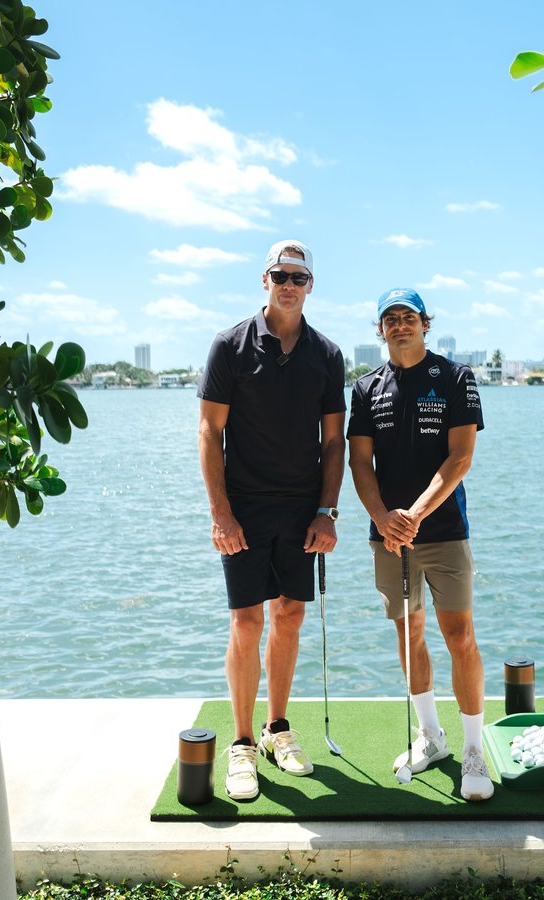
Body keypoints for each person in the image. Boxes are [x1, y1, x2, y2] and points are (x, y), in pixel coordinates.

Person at [197, 240, 346, 801]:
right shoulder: (229, 346)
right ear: (264, 280)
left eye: (299, 277)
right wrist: (221, 513)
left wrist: (327, 511)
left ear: (310, 286)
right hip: (244, 507)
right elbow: (210, 431)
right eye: (280, 275)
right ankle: (241, 744)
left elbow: (333, 441)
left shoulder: (327, 355)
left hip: (304, 507)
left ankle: (277, 728)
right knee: (246, 622)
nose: (289, 285)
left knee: (288, 617)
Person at [347, 288, 493, 801]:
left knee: (460, 636)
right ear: (379, 330)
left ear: (425, 324)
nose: (400, 325)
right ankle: (431, 736)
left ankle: (474, 750)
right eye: (390, 319)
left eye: (409, 317)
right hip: (389, 536)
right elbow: (359, 463)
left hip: (444, 530)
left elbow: (460, 456)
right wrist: (384, 518)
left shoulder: (456, 377)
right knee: (408, 636)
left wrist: (416, 513)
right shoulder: (365, 388)